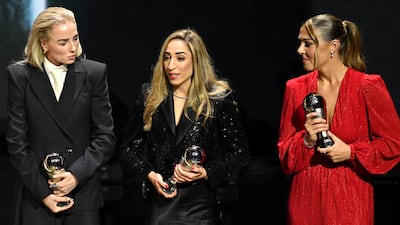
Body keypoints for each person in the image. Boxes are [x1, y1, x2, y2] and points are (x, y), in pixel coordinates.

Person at [277, 13, 400, 225]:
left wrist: (350, 152)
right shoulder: (295, 88)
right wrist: (306, 140)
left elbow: (393, 145)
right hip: (305, 201)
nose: (300, 51)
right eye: (300, 43)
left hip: (350, 201)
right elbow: (285, 157)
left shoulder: (367, 86)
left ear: (333, 46)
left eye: (308, 44)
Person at [119, 28, 250, 225]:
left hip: (200, 206)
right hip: (160, 204)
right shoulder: (150, 96)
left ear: (196, 61)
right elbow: (128, 149)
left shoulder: (217, 99)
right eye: (167, 58)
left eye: (180, 58)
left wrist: (207, 172)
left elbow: (239, 153)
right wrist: (149, 174)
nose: (171, 65)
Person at [6, 6, 116, 225]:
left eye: (75, 38)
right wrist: (44, 193)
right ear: (43, 43)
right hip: (38, 195)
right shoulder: (20, 76)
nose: (73, 48)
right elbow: (16, 143)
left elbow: (105, 137)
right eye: (63, 42)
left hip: (82, 195)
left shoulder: (94, 73)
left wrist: (75, 176)